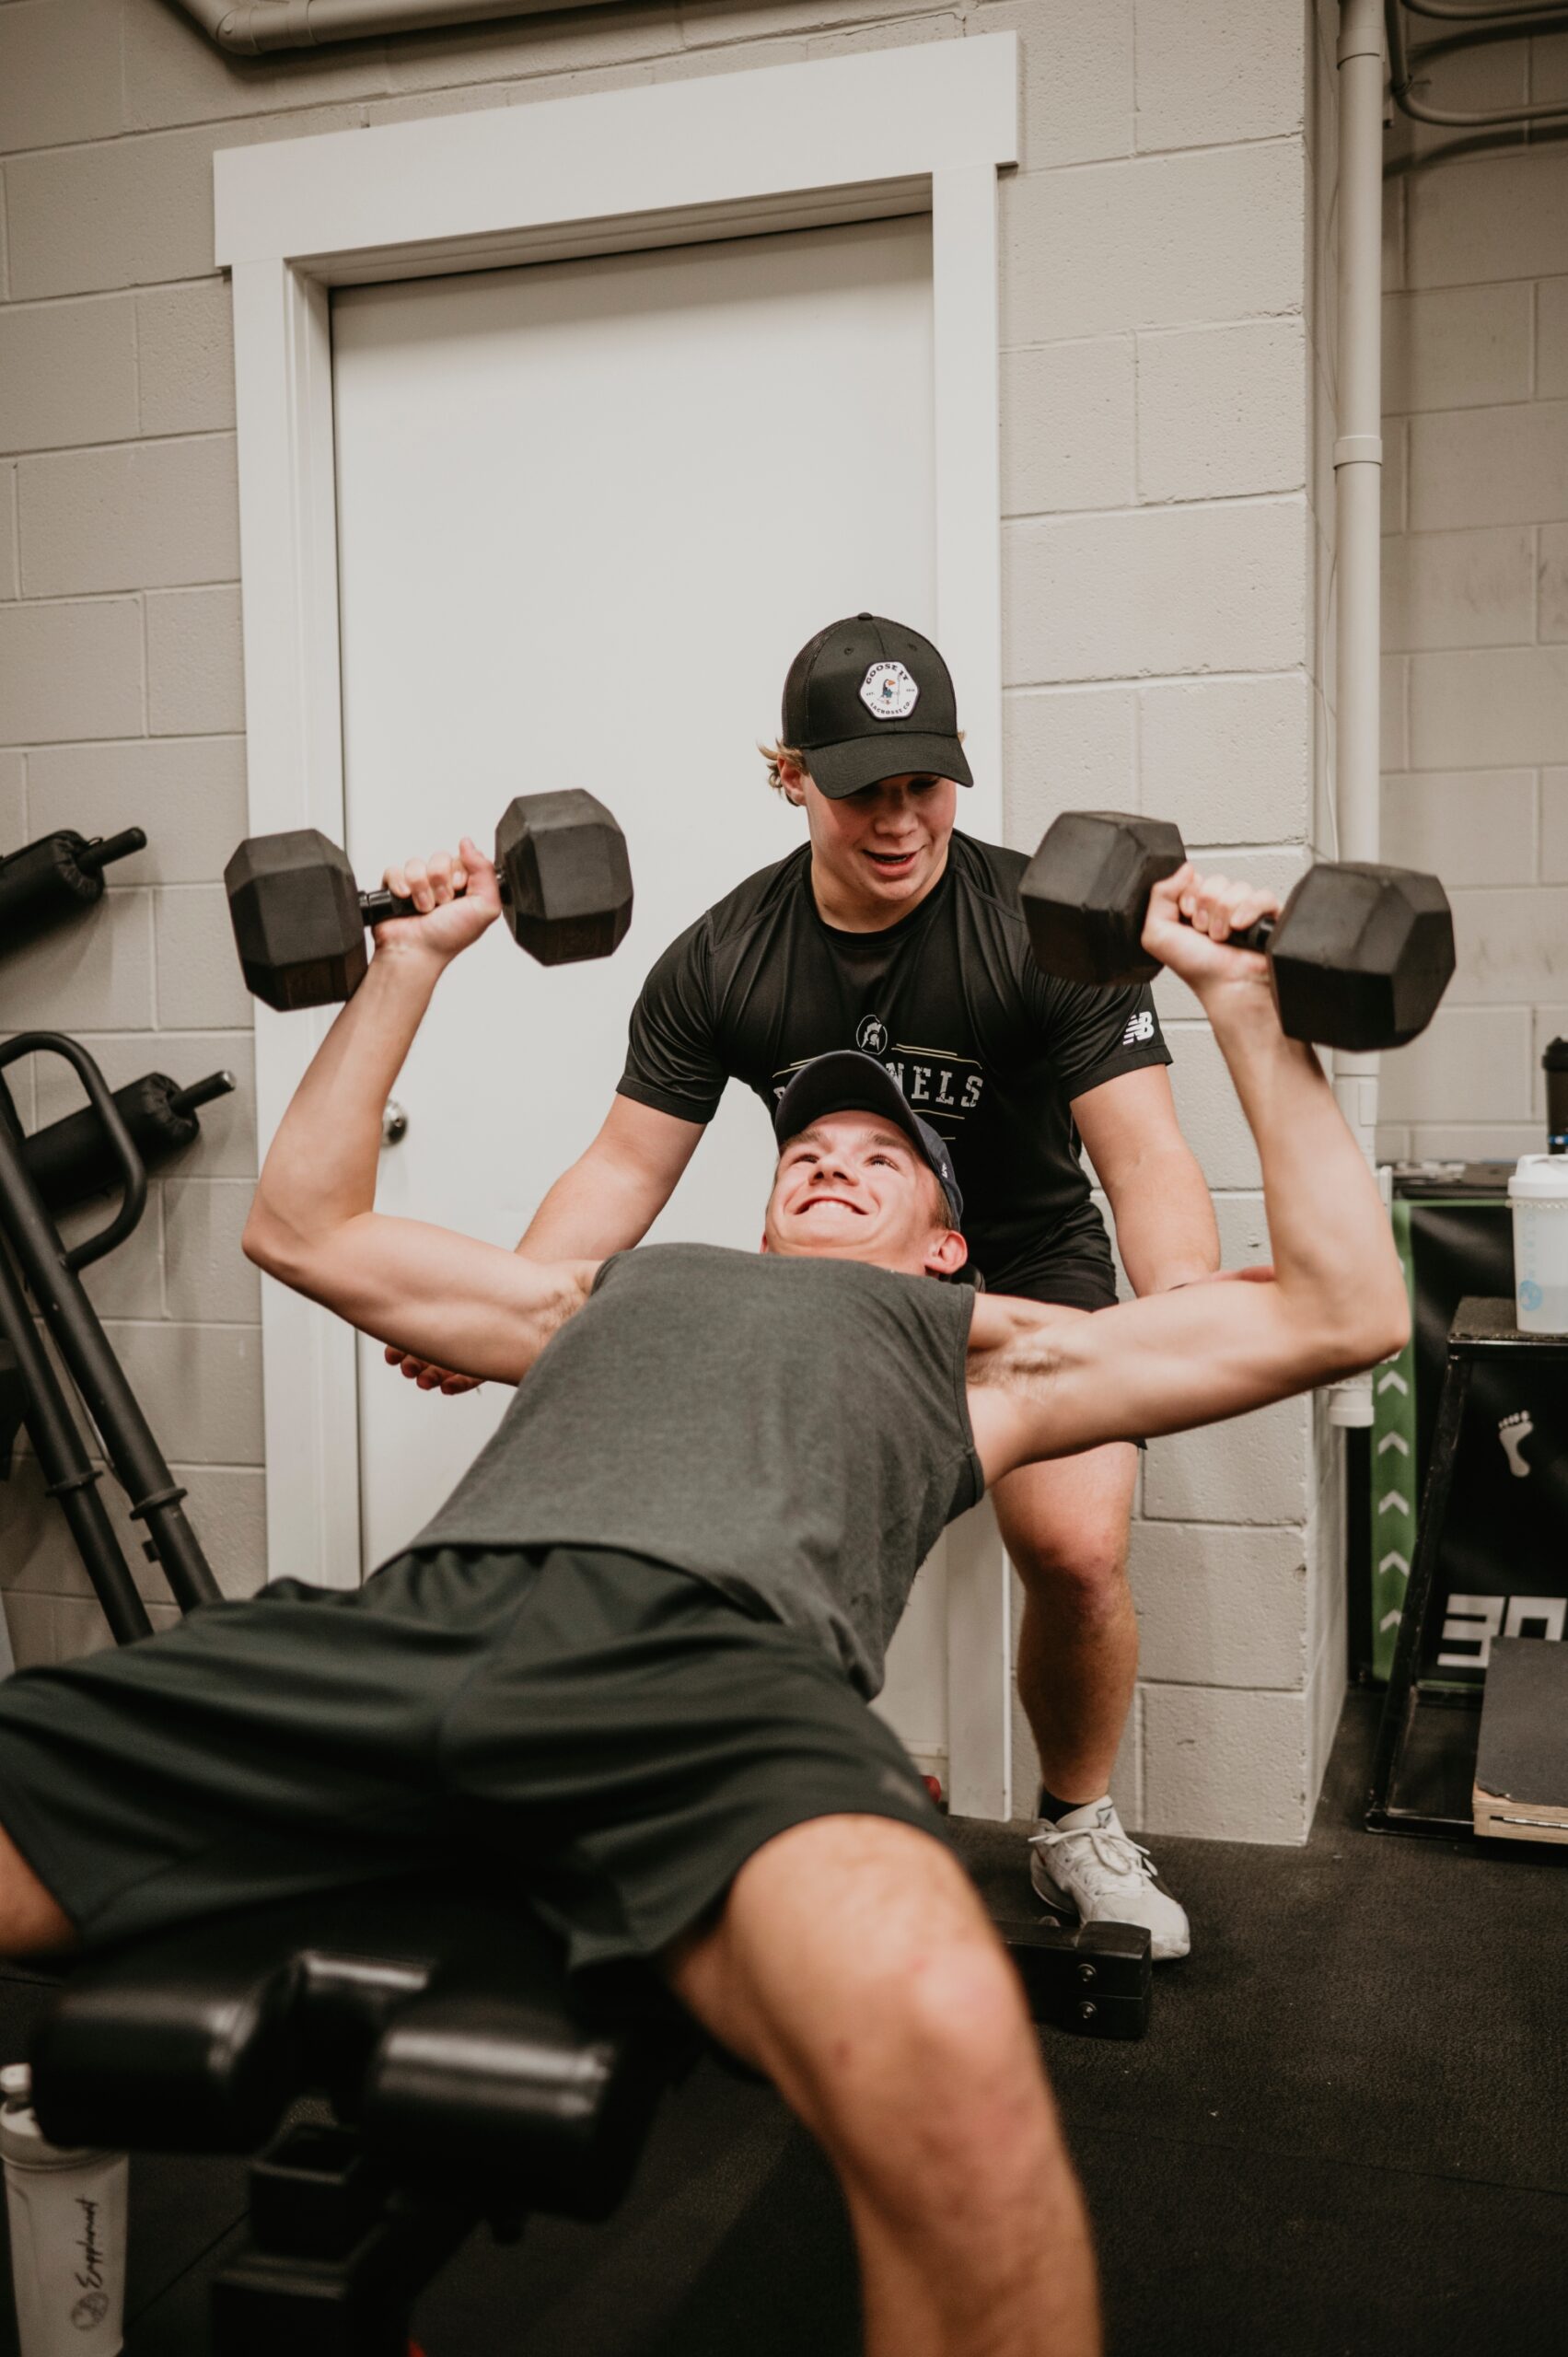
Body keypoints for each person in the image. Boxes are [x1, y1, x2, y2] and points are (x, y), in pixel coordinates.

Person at [0, 841, 1409, 2357]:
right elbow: (301, 1229)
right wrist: (406, 964)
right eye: (807, 1149)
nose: (831, 1155)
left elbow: (1344, 1311)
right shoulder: (604, 1293)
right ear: (760, 1210)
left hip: (713, 1682)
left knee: (945, 2042)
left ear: (946, 1242)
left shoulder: (986, 1344)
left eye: (884, 1160)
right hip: (406, 1630)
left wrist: (1248, 1002)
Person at [391, 617, 1220, 1959]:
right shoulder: (725, 957)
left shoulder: (1047, 933)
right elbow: (618, 1171)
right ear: (792, 777)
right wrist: (501, 1305)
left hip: (1033, 1266)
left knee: (1074, 1547)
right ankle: (730, 1812)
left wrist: (1188, 1310)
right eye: (862, 788)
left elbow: (1151, 1161)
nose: (900, 821)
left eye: (925, 784)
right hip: (844, 1280)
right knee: (745, 1535)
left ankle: (1074, 1827)